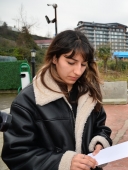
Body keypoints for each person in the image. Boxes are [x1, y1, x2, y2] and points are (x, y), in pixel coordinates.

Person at [1, 30, 112, 170]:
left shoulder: (90, 94)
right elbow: (16, 154)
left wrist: (100, 142)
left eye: (83, 65)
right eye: (71, 62)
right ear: (54, 58)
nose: (78, 71)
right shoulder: (27, 100)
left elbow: (100, 127)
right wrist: (62, 162)